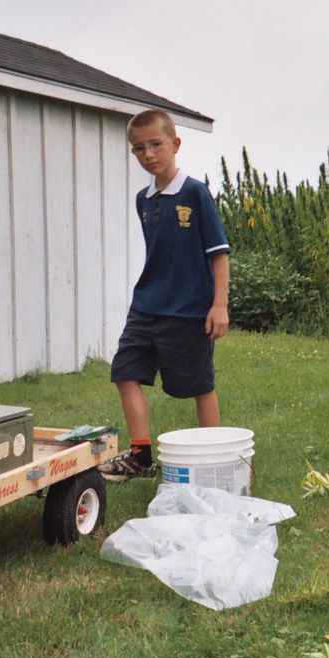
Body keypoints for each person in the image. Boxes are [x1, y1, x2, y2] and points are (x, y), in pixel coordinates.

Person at [98, 109, 231, 481]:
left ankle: (213, 456)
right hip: (146, 306)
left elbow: (219, 251)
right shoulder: (143, 199)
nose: (148, 154)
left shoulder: (194, 192)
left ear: (175, 144)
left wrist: (219, 305)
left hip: (189, 310)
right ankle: (140, 455)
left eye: (155, 144)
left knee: (199, 385)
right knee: (125, 371)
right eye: (138, 149)